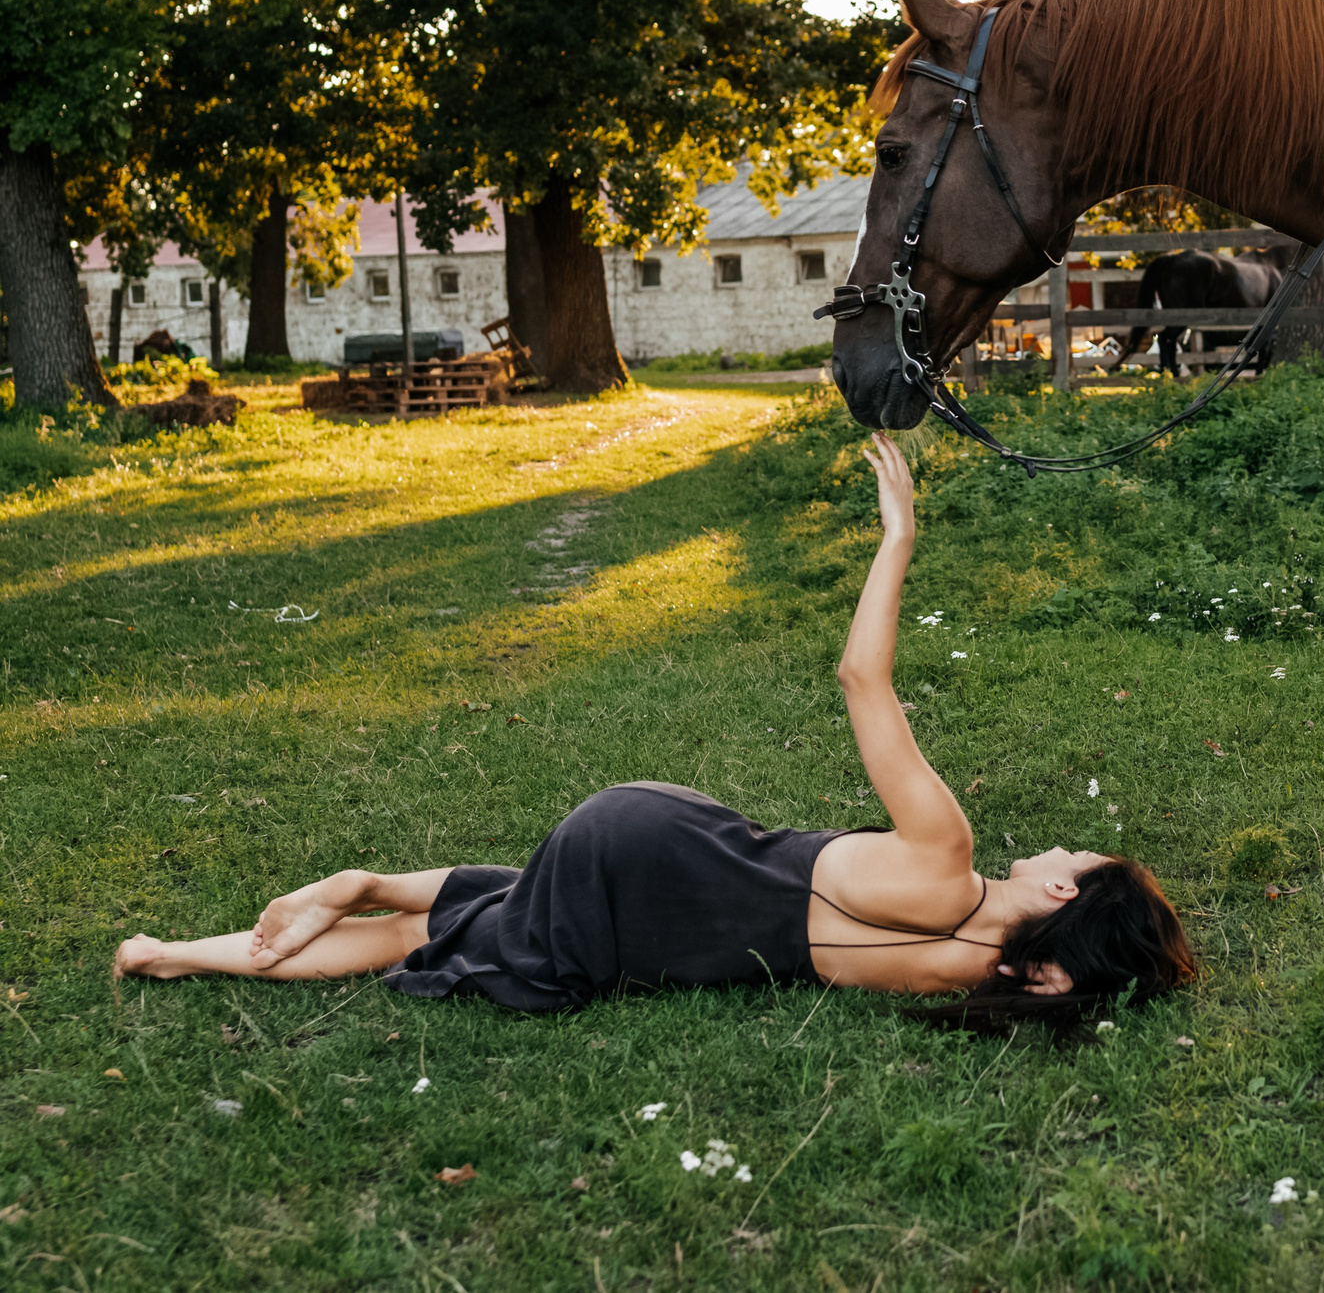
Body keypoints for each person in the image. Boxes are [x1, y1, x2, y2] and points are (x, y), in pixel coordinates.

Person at [113, 436, 1193, 1031]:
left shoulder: (947, 857)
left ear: (1063, 890)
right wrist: (1075, 980)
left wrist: (898, 537)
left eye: (1072, 854)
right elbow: (1050, 982)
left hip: (663, 844)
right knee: (440, 929)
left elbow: (863, 677)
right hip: (659, 902)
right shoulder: (964, 972)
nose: (1056, 845)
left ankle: (303, 904)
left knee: (451, 919)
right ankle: (195, 947)